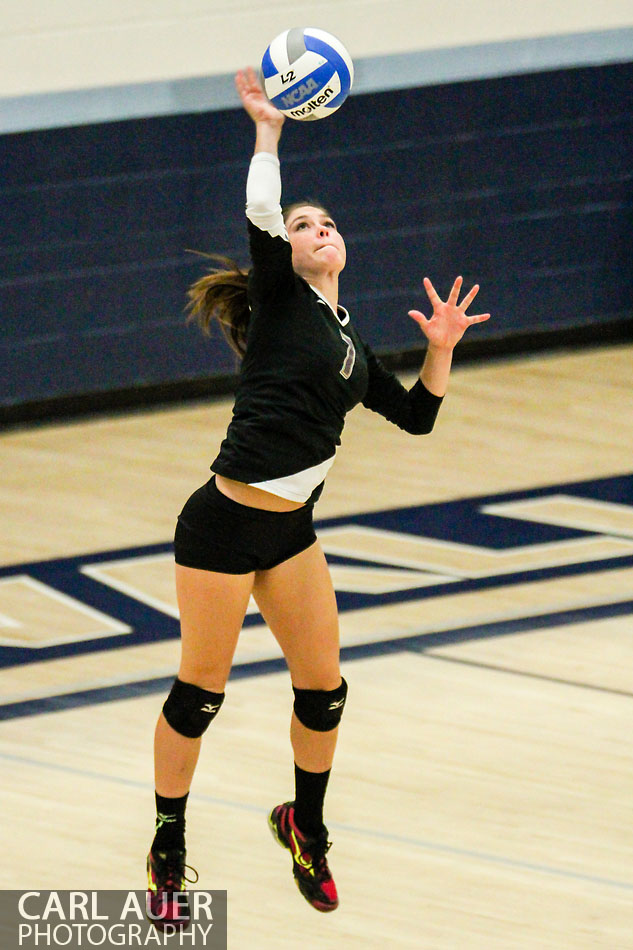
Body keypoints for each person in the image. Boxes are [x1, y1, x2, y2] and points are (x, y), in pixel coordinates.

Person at [146, 66, 490, 926]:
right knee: (200, 693)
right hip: (223, 524)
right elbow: (262, 213)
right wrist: (267, 133)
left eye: (328, 222)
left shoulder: (349, 342)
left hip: (291, 533)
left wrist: (441, 347)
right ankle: (167, 843)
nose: (318, 228)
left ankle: (304, 823)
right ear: (285, 251)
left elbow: (413, 417)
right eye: (305, 224)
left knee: (324, 690)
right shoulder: (279, 299)